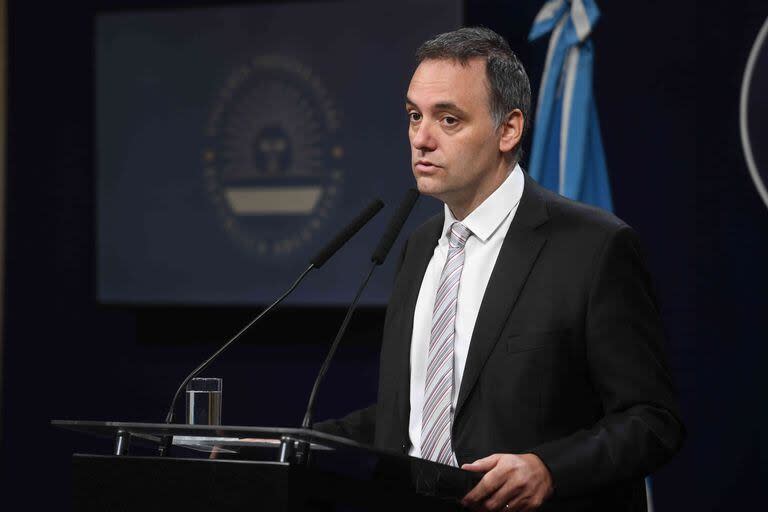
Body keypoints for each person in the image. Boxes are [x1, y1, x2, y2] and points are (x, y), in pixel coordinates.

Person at [316, 27, 684, 512]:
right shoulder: (418, 247)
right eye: (413, 116)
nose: (421, 139)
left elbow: (651, 419)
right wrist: (295, 442)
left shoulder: (594, 247)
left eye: (448, 119)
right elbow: (419, 419)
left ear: (508, 129)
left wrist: (550, 469)